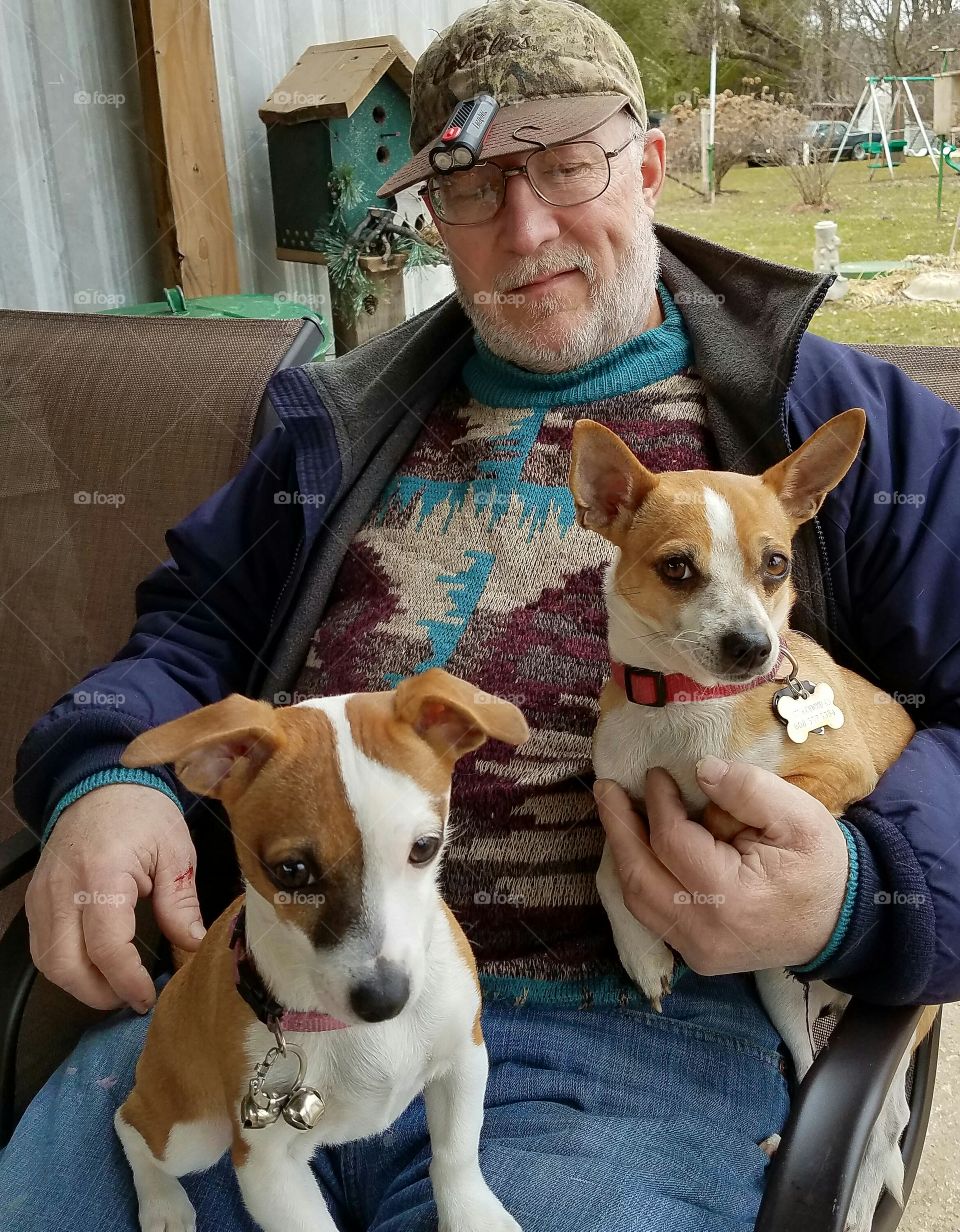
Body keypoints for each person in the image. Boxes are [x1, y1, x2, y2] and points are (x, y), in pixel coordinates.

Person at [4, 1, 960, 1229]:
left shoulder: (829, 426)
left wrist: (862, 891)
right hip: (267, 1001)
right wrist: (106, 776)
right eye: (471, 186)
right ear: (431, 217)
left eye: (566, 167)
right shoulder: (335, 422)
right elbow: (187, 633)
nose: (526, 227)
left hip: (621, 1041)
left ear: (649, 164)